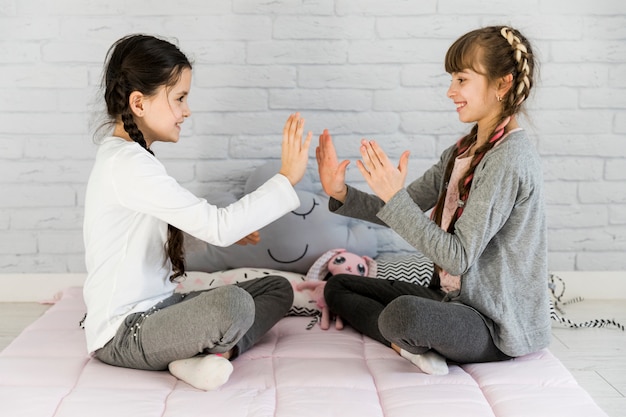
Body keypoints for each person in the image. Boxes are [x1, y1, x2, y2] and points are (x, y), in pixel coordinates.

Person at [316, 26, 550, 375]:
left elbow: (457, 258)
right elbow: (399, 210)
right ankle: (407, 345)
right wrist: (341, 193)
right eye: (452, 80)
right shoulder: (462, 152)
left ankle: (408, 336)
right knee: (337, 286)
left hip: (491, 324)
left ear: (502, 84)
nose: (450, 91)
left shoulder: (508, 160)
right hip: (450, 301)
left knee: (403, 314)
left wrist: (394, 198)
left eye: (461, 79)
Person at [83, 34, 312, 390]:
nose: (186, 111)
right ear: (139, 103)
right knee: (234, 305)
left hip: (161, 308)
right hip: (124, 332)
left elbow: (155, 236)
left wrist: (229, 229)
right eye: (180, 99)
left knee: (277, 288)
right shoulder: (126, 164)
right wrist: (286, 179)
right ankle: (208, 353)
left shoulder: (132, 160)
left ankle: (208, 357)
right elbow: (217, 227)